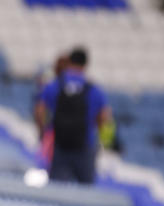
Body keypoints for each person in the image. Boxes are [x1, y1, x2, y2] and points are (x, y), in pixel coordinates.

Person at [34, 47, 112, 184]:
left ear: (70, 61)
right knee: (86, 193)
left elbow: (39, 111)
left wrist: (43, 131)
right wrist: (101, 141)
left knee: (57, 189)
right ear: (86, 65)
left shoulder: (55, 85)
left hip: (60, 145)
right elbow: (105, 118)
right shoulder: (93, 89)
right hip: (85, 145)